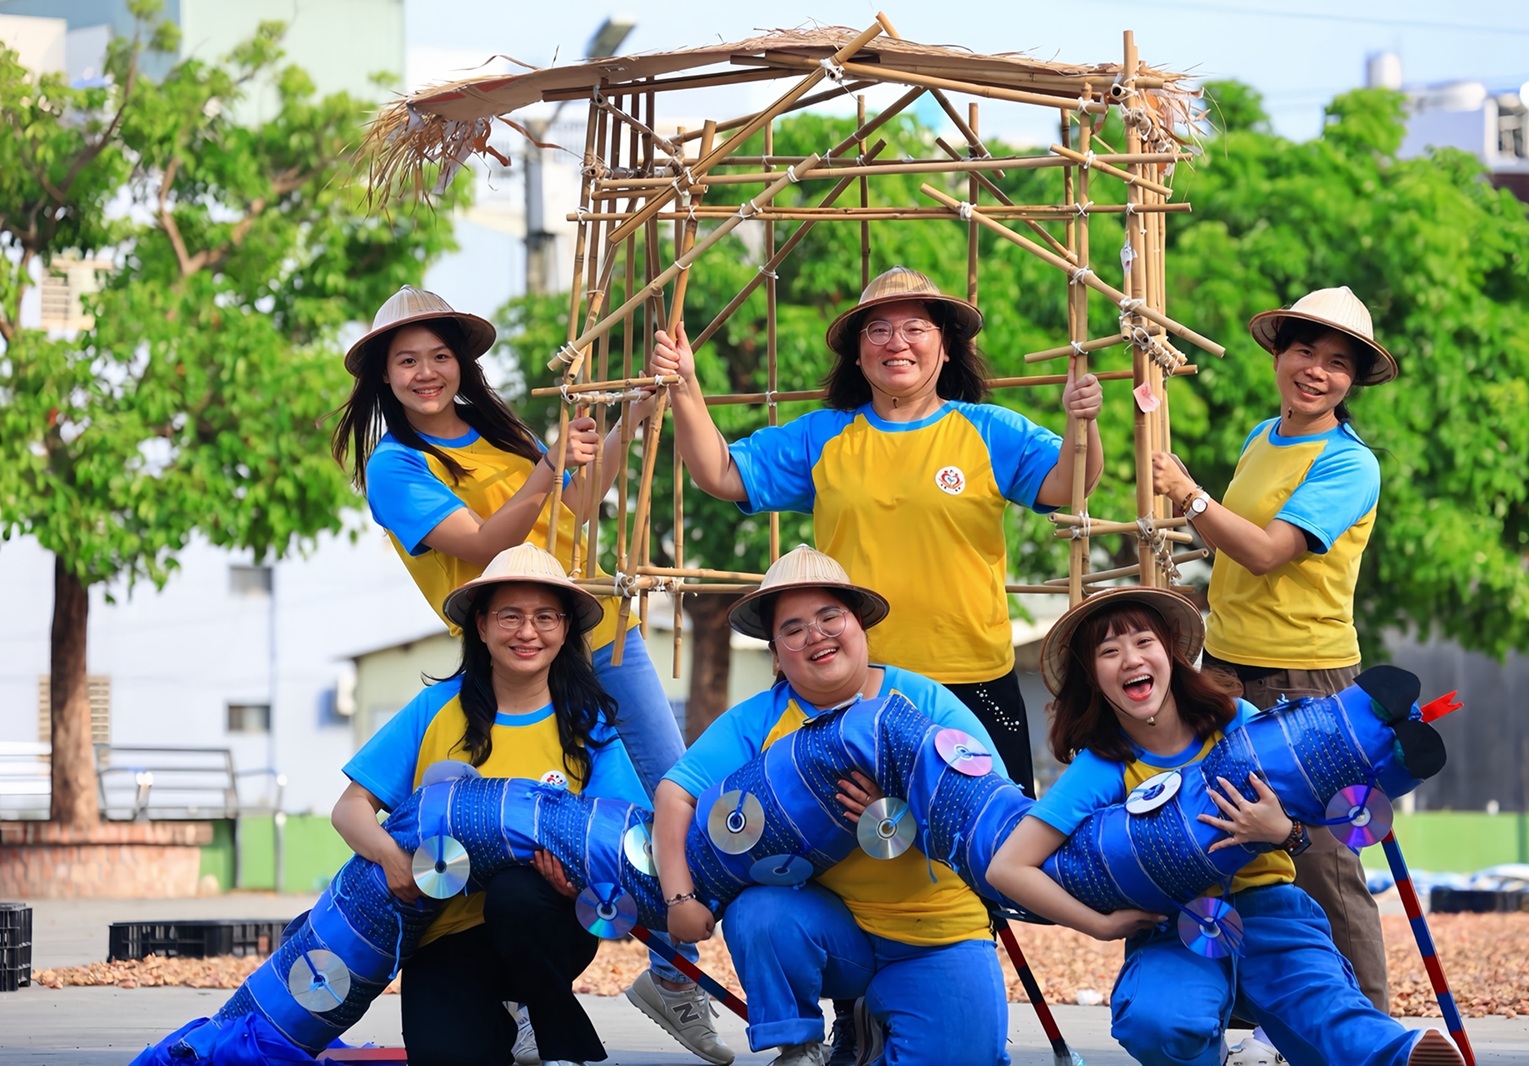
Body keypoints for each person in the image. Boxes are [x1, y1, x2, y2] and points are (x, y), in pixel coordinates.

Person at [331, 289, 730, 1065]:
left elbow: (574, 506)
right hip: (517, 659)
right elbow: (481, 544)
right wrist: (548, 467)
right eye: (407, 359)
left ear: (462, 363)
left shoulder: (498, 435)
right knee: (511, 831)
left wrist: (629, 422)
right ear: (383, 374)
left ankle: (669, 975)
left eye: (439, 356)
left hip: (599, 633)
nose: (426, 372)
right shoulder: (396, 465)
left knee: (676, 800)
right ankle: (512, 989)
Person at [652, 266, 1104, 799]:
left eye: (916, 327)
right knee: (868, 842)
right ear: (859, 352)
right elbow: (720, 473)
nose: (898, 343)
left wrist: (1084, 422)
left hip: (974, 680)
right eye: (878, 330)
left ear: (946, 346)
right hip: (857, 687)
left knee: (993, 848)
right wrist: (685, 385)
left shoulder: (988, 430)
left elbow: (1068, 485)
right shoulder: (824, 436)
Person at [986, 587, 1465, 1066]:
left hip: (1272, 910)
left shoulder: (1237, 722)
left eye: (1143, 641)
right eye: (1109, 652)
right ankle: (1207, 1048)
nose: (1130, 659)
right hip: (1176, 926)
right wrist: (1101, 925)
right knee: (1162, 1022)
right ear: (1093, 678)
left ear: (1171, 652)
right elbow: (1008, 868)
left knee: (1325, 1011)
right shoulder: (1102, 764)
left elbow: (1324, 825)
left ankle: (1400, 1056)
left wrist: (1282, 832)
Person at [652, 545, 1014, 1066]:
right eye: (793, 628)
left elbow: (985, 802)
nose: (815, 635)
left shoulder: (922, 700)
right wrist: (679, 898)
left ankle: (870, 1020)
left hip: (936, 931)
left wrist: (899, 811)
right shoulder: (761, 717)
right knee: (759, 912)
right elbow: (675, 792)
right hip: (832, 929)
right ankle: (801, 1047)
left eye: (830, 617)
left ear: (860, 624)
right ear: (777, 652)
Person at [1150, 286, 1397, 1035]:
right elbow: (1230, 540)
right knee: (1226, 845)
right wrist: (1184, 530)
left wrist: (1190, 497)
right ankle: (1254, 1024)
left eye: (1335, 363)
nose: (1315, 372)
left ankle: (1366, 1028)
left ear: (1352, 382)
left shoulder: (1350, 464)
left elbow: (1262, 553)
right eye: (1303, 352)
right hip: (1225, 668)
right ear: (1278, 354)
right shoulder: (1264, 436)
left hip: (1308, 681)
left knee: (1321, 860)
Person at [331, 544, 654, 1066]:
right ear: (481, 626)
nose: (528, 632)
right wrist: (394, 860)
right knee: (447, 1054)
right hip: (445, 928)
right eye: (511, 616)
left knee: (514, 893)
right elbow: (349, 809)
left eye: (545, 617)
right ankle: (504, 1016)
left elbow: (623, 838)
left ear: (567, 629)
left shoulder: (586, 723)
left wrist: (576, 881)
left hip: (550, 923)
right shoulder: (437, 709)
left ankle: (557, 1041)